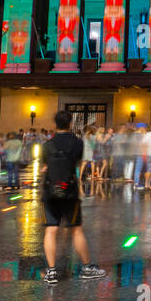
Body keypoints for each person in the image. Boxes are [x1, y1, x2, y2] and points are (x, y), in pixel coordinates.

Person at [39, 110, 107, 284]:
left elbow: (45, 165)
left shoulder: (47, 145)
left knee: (51, 229)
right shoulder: (77, 143)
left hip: (50, 190)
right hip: (69, 190)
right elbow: (76, 162)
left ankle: (52, 271)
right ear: (70, 123)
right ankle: (86, 268)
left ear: (55, 124)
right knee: (76, 229)